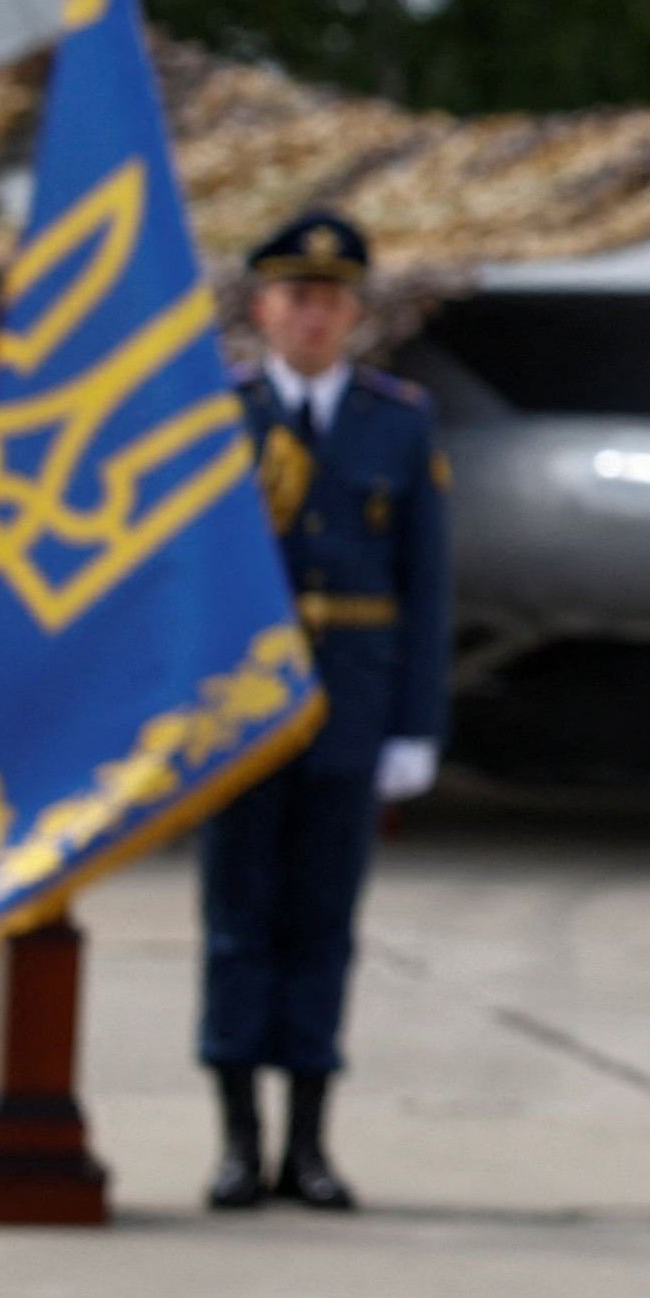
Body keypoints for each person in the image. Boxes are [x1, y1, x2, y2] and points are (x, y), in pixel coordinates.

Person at [198, 208, 452, 1212]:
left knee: (321, 926)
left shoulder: (398, 419)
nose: (314, 315)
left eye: (332, 299)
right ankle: (235, 1141)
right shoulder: (221, 414)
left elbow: (425, 584)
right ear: (262, 306)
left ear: (353, 313)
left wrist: (413, 725)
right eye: (296, 297)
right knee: (236, 924)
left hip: (350, 707)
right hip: (241, 711)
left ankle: (307, 1144)